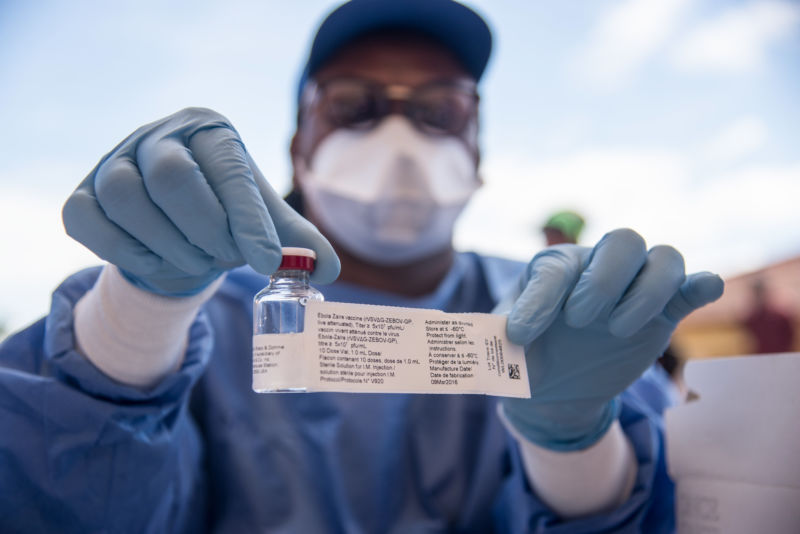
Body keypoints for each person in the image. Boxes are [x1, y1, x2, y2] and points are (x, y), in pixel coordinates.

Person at [0, 0, 724, 532]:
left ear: (478, 153)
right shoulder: (200, 313)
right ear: (296, 148)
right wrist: (135, 317)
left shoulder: (553, 317)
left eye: (441, 111)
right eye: (353, 106)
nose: (400, 135)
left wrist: (575, 443)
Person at [743, 278, 796, 354]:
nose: (759, 297)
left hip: (781, 358)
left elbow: (790, 340)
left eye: (761, 293)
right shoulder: (751, 320)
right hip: (760, 359)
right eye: (756, 294)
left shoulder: (781, 318)